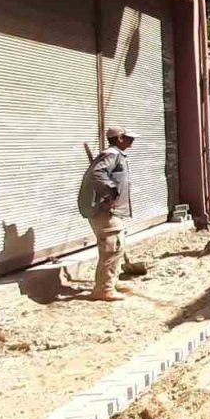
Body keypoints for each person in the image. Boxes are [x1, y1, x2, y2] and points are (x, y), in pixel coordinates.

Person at [78, 126, 135, 302]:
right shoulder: (112, 154)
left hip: (109, 210)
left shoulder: (115, 154)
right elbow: (97, 173)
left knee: (117, 246)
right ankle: (103, 289)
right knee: (112, 247)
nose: (132, 141)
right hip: (104, 210)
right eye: (128, 138)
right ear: (118, 138)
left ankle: (111, 282)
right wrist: (110, 192)